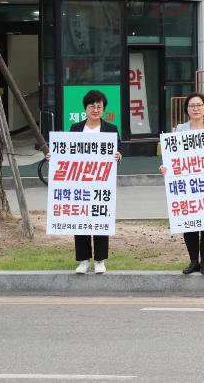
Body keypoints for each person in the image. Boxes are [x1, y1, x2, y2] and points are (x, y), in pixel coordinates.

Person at [159, 92, 204, 275]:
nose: (196, 109)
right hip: (188, 184)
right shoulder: (179, 130)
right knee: (189, 222)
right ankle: (193, 261)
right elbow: (172, 157)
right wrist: (165, 168)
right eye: (192, 106)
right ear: (187, 109)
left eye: (199, 105)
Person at [69, 90, 122, 274]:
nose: (95, 109)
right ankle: (83, 260)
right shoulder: (76, 128)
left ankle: (100, 260)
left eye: (99, 106)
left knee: (100, 220)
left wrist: (118, 155)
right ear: (85, 108)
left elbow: (119, 148)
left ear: (103, 109)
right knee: (81, 221)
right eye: (92, 106)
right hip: (80, 183)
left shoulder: (111, 128)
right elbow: (67, 152)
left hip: (102, 183)